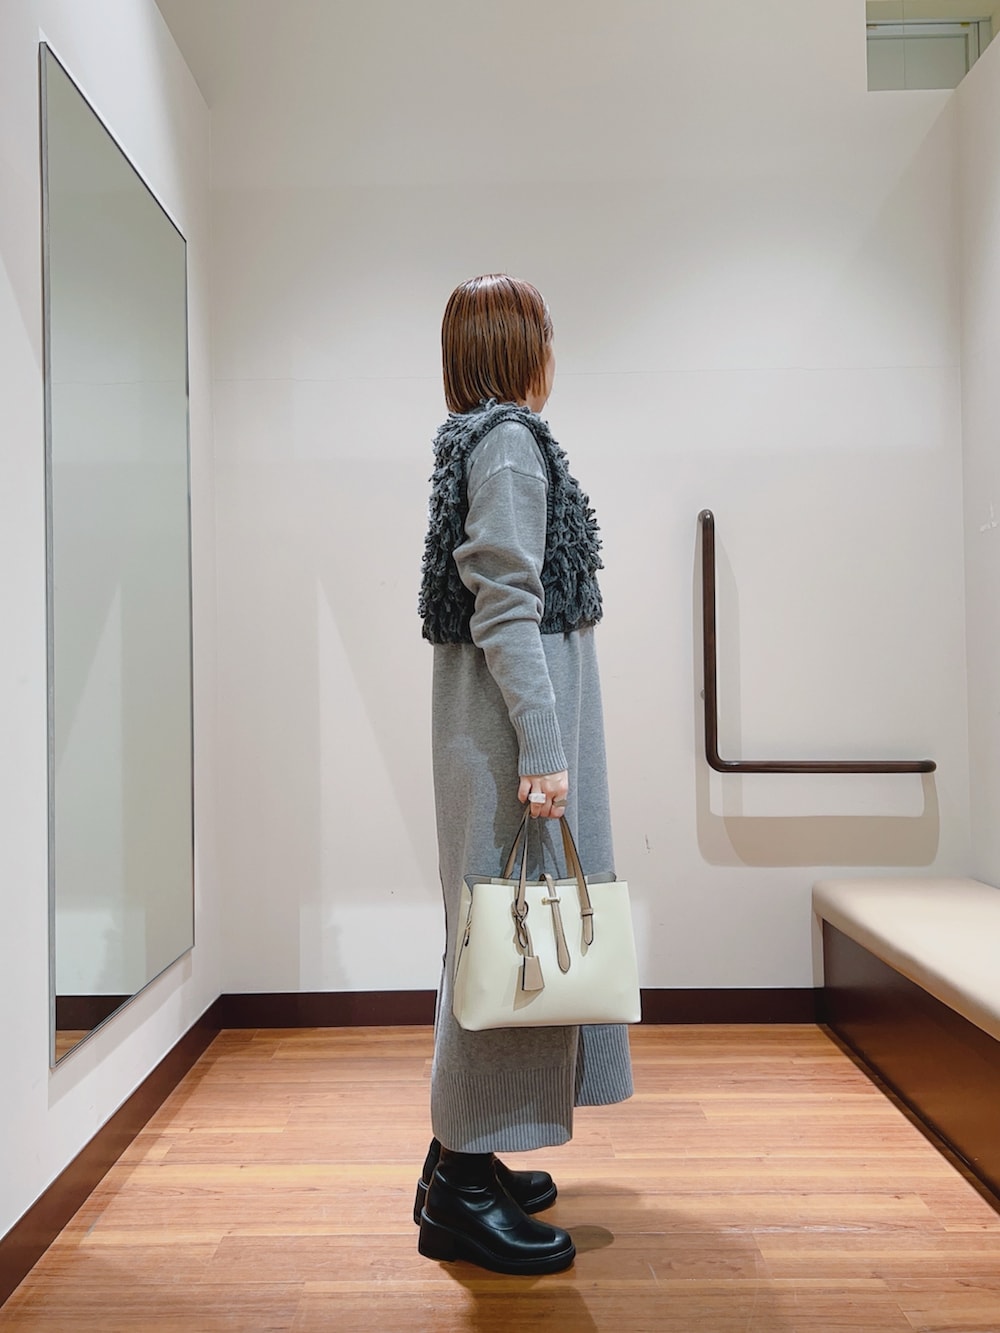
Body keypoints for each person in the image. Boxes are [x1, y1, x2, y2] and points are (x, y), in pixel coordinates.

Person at [415, 274, 633, 1276]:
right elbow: (505, 602)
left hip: (500, 728)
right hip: (511, 738)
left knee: (497, 935)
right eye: (545, 335)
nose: (554, 353)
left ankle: (461, 1155)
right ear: (521, 350)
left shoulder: (485, 440)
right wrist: (543, 749)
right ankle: (460, 1188)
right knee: (509, 939)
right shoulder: (509, 443)